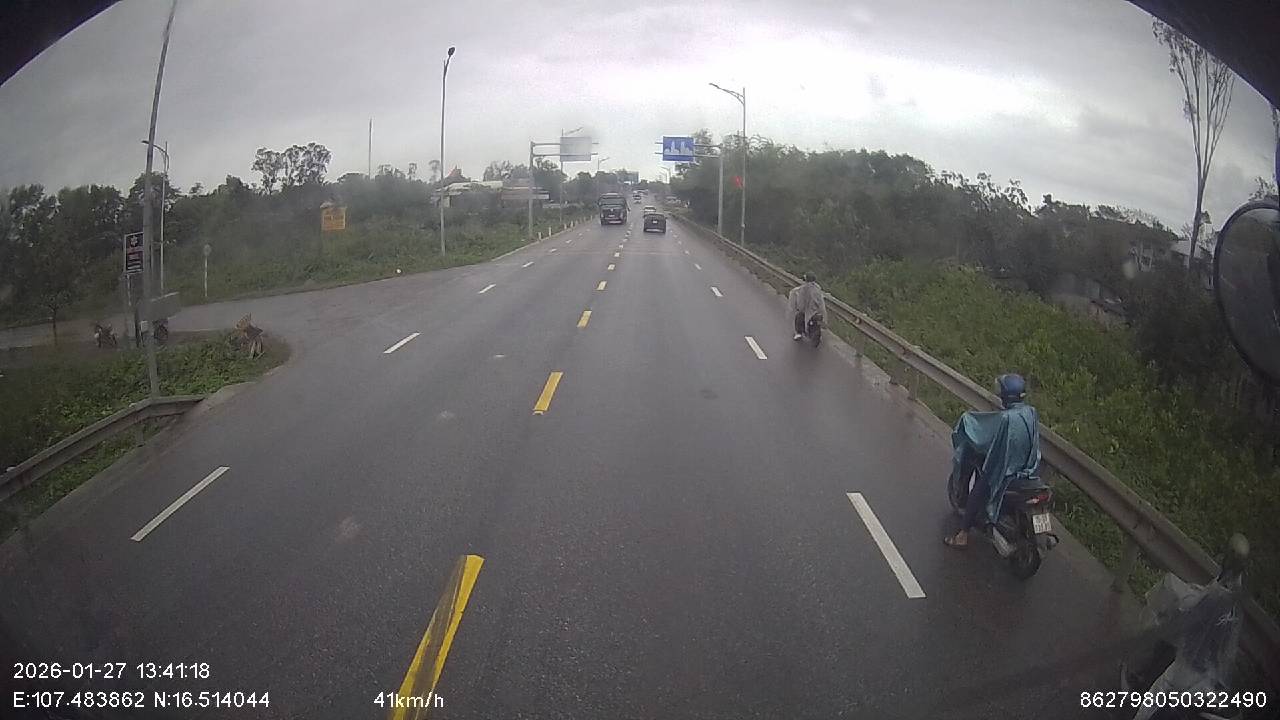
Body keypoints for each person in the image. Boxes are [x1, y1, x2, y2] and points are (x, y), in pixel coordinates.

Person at [943, 373, 1041, 549]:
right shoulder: (1030, 412)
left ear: (1007, 395)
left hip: (1006, 471)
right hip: (1026, 467)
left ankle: (963, 535)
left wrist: (967, 420)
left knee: (979, 490)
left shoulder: (1006, 418)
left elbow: (987, 435)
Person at [789, 272, 826, 341]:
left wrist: (798, 308)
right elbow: (821, 303)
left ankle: (799, 333)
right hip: (816, 311)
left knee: (799, 315)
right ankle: (818, 333)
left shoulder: (803, 289)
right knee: (818, 319)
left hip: (808, 311)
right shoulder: (818, 288)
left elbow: (801, 303)